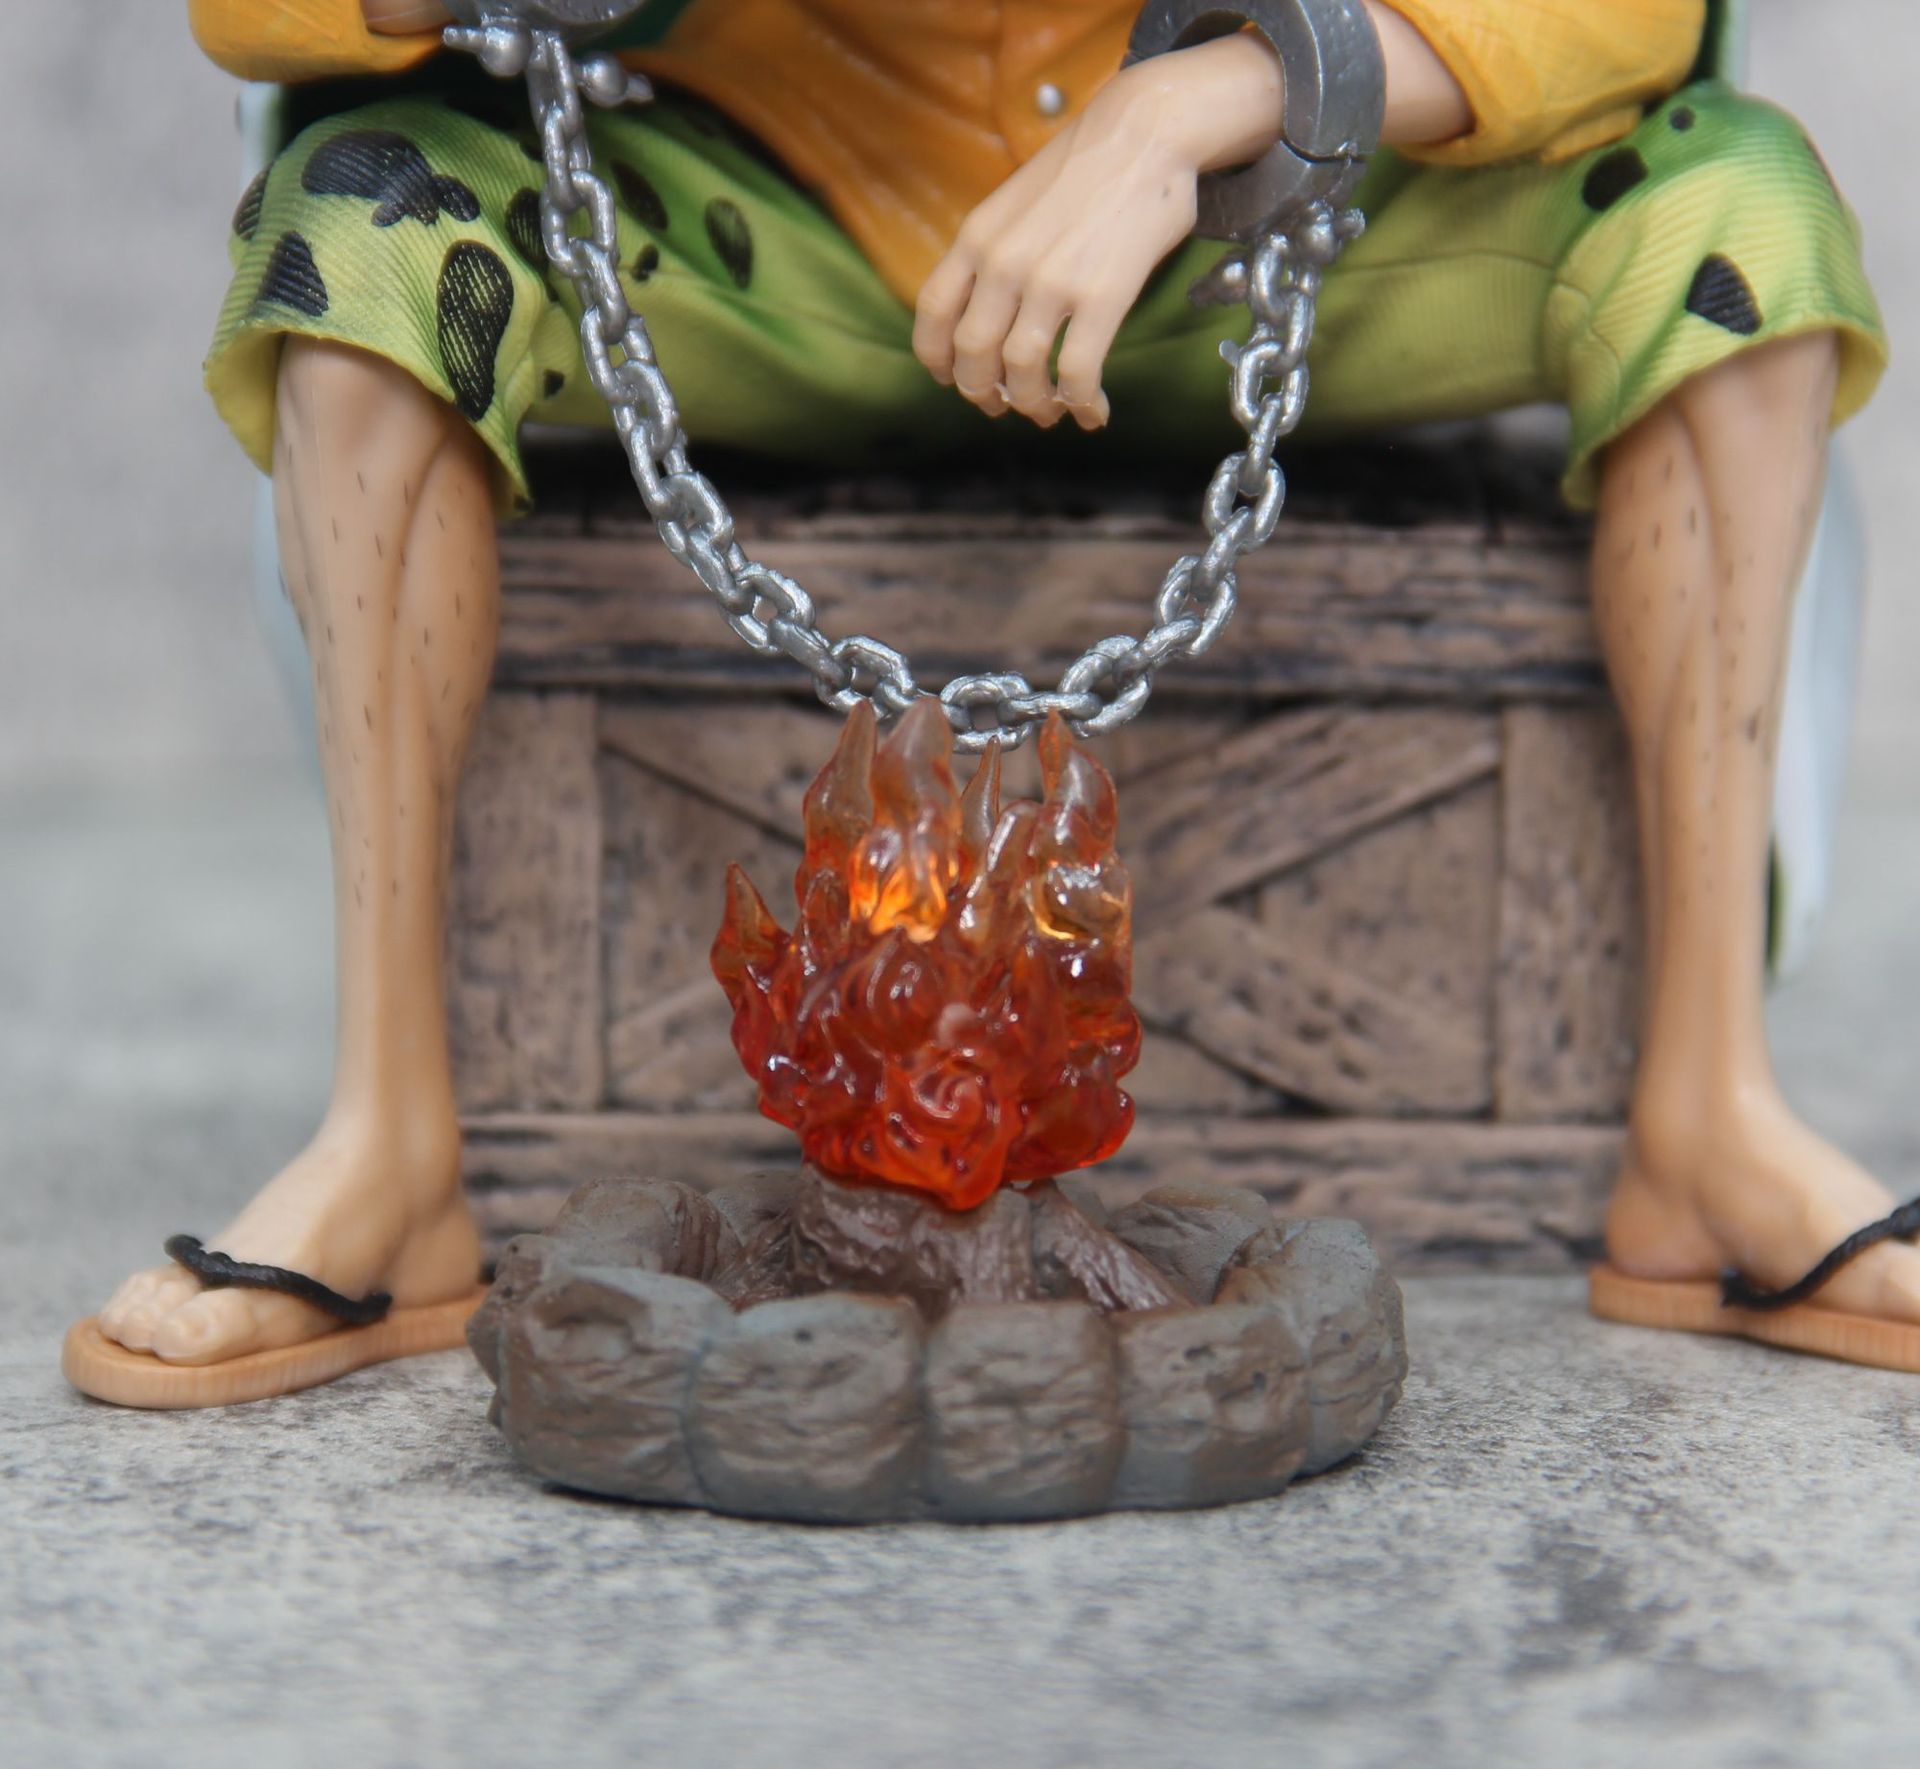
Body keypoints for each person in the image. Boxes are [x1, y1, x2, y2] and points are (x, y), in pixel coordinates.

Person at [76, 0, 1909, 1401]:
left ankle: (1708, 1117)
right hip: (746, 232)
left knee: (1731, 216)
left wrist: (1202, 99)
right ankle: (391, 1143)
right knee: (370, 223)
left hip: (1260, 240)